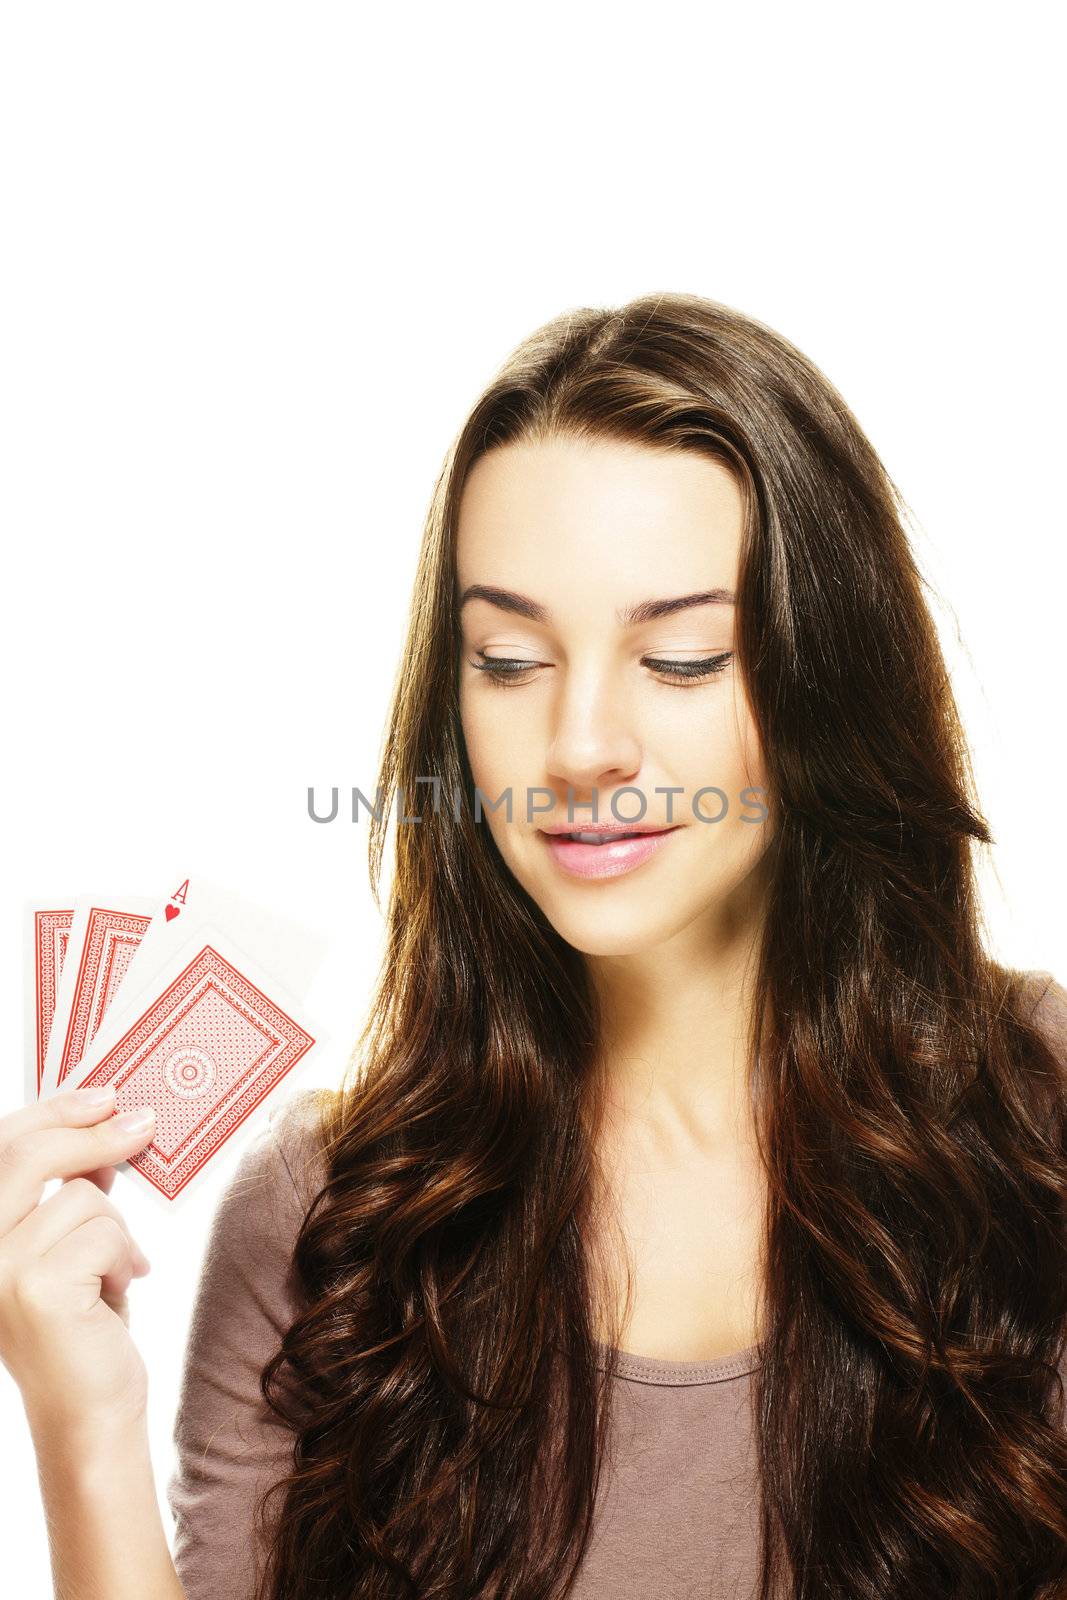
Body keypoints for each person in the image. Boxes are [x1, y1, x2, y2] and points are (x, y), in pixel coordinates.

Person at [3, 292, 1066, 1600]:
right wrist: (81, 1423)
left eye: (678, 658)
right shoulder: (327, 1227)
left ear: (823, 678)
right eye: (508, 659)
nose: (577, 749)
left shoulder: (1036, 1127)